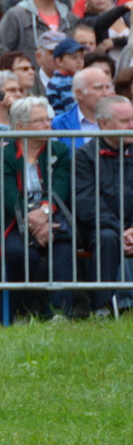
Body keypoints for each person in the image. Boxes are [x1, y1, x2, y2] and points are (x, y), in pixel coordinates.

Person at [0, 95, 74, 320]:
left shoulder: (59, 150)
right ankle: (17, 312)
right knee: (19, 253)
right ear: (20, 126)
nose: (48, 125)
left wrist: (45, 213)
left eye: (48, 120)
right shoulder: (5, 154)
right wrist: (31, 219)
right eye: (40, 121)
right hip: (14, 222)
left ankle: (58, 313)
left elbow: (61, 185)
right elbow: (5, 192)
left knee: (63, 249)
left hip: (52, 217)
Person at [72, 94, 133, 317]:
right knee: (107, 238)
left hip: (130, 226)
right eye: (125, 121)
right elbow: (86, 202)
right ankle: (102, 306)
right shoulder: (83, 156)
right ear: (104, 124)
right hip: (101, 225)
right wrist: (121, 231)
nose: (132, 126)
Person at [53, 65, 112, 145]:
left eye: (107, 87)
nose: (106, 93)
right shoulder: (58, 124)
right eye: (98, 88)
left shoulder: (122, 121)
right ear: (79, 94)